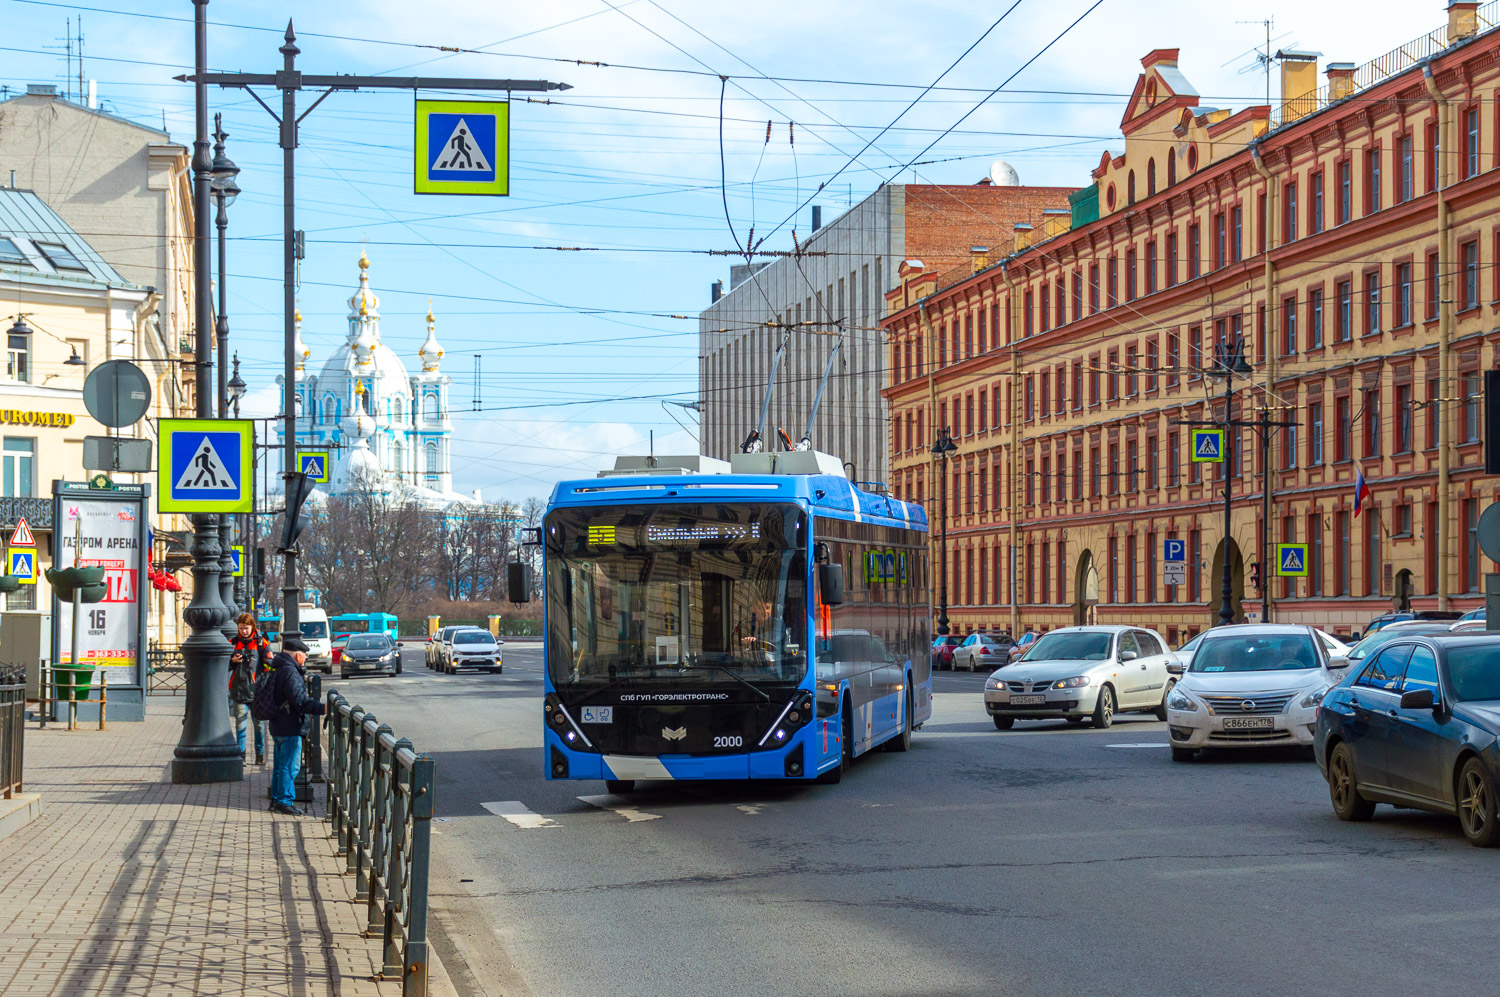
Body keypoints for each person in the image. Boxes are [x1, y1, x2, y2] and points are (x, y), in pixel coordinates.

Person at [267, 636, 325, 816]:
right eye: (304, 655)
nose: (305, 658)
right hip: (289, 724)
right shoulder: (290, 672)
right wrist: (321, 708)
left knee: (279, 765)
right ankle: (284, 801)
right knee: (289, 766)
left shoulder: (278, 667)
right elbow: (298, 701)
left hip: (278, 723)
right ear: (298, 655)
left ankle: (277, 800)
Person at [228, 612, 272, 764]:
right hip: (239, 691)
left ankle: (259, 755)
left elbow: (270, 665)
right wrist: (232, 661)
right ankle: (241, 755)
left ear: (252, 627)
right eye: (241, 628)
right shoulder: (232, 643)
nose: (244, 631)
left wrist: (266, 682)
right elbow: (223, 666)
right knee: (240, 725)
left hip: (257, 691)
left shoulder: (262, 643)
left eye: (246, 628)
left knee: (259, 726)